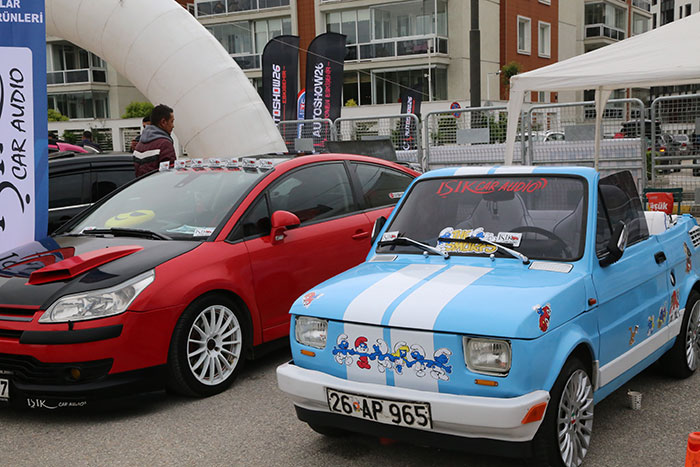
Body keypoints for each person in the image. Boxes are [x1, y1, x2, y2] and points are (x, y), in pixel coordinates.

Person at [133, 104, 176, 176]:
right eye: (171, 121)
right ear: (163, 122)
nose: (173, 126)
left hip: (142, 186)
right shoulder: (164, 144)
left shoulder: (139, 145)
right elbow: (169, 175)